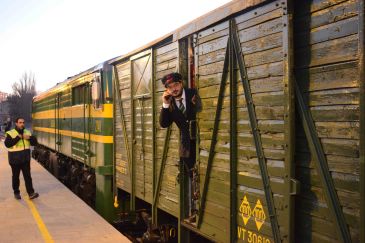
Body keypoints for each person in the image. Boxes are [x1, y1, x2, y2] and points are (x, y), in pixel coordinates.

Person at [159, 72, 201, 222]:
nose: (174, 89)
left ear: (181, 83)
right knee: (193, 178)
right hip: (186, 147)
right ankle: (195, 211)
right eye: (170, 87)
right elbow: (163, 124)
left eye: (176, 85)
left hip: (201, 142)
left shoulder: (193, 94)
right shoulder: (169, 103)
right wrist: (164, 103)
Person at [4, 117, 39, 200]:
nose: (22, 124)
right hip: (14, 159)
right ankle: (16, 192)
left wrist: (29, 138)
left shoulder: (27, 132)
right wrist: (18, 137)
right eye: (20, 122)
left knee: (28, 176)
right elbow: (8, 144)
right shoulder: (11, 133)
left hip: (25, 159)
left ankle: (31, 193)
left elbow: (35, 143)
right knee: (16, 177)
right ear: (16, 123)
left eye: (23, 122)